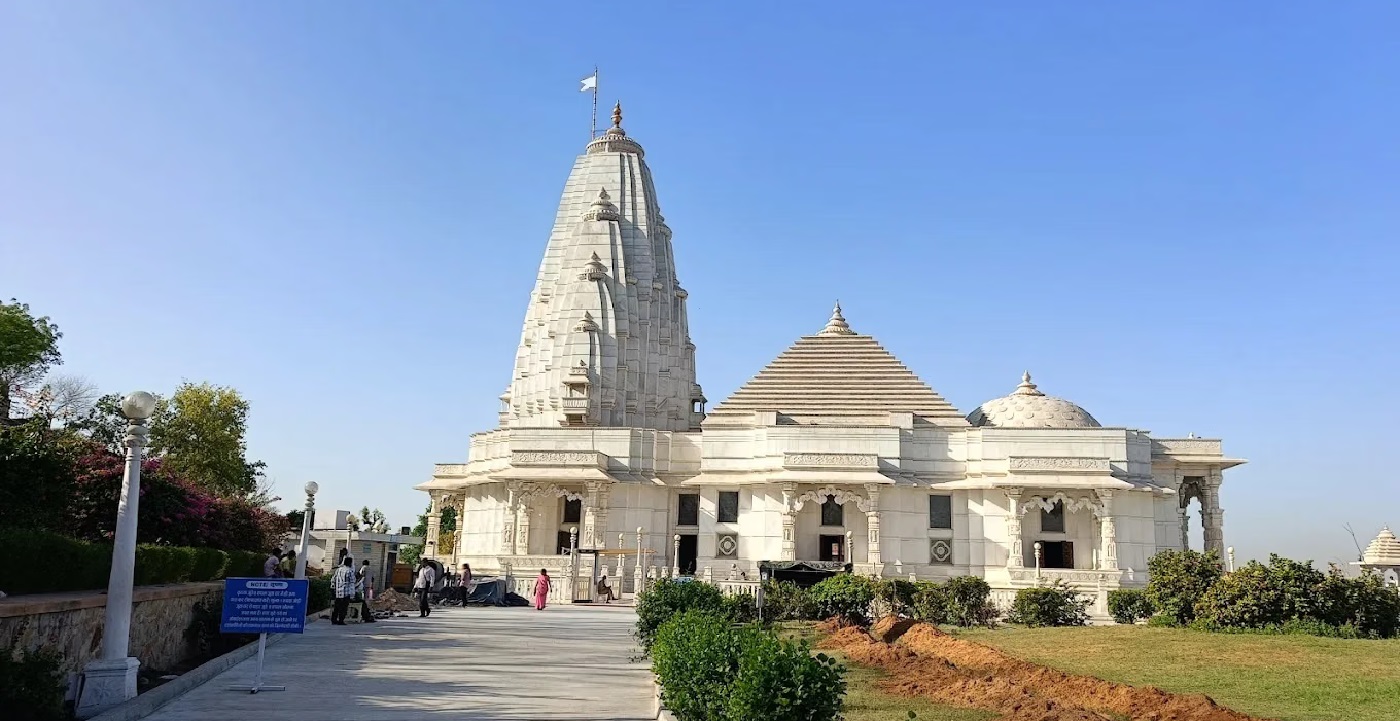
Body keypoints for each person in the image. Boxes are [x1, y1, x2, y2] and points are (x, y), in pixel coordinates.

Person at [331, 556, 357, 625]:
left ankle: (334, 619)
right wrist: (352, 593)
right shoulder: (349, 571)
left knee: (336, 606)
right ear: (350, 563)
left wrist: (334, 587)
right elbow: (352, 581)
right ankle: (341, 620)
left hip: (338, 592)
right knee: (344, 607)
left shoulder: (339, 570)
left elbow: (333, 579)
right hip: (346, 592)